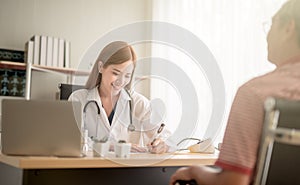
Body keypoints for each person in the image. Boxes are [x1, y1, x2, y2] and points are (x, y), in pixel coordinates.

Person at [170, 0, 300, 184]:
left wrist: (195, 171)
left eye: (272, 25)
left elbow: (234, 182)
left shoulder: (255, 94)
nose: (267, 35)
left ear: (289, 28)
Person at [69, 41, 171, 154]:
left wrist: (162, 144)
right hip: (89, 169)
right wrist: (113, 146)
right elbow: (72, 141)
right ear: (101, 67)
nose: (121, 82)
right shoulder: (78, 99)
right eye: (116, 73)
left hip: (128, 170)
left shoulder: (138, 103)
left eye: (127, 75)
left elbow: (167, 136)